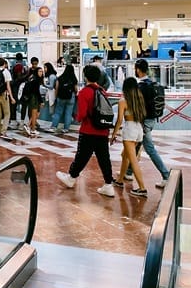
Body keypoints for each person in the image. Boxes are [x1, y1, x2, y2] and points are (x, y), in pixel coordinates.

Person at [56, 64, 116, 197]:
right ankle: (108, 184)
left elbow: (82, 114)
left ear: (85, 76)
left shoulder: (84, 92)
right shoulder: (101, 91)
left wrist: (76, 117)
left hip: (88, 131)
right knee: (104, 159)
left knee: (81, 157)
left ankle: (71, 178)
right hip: (102, 131)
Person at [134, 59, 170, 188]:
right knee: (135, 145)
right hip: (153, 119)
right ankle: (127, 171)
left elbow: (139, 106)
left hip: (144, 122)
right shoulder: (154, 84)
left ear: (138, 69)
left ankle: (166, 175)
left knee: (149, 149)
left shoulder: (142, 87)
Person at [112, 77, 149, 198]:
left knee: (133, 161)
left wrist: (113, 134)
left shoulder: (123, 101)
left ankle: (142, 188)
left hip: (129, 129)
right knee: (125, 156)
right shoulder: (140, 98)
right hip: (139, 129)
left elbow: (119, 120)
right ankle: (120, 180)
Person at [49, 63, 78, 134]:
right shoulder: (74, 79)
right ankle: (66, 129)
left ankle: (54, 127)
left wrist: (56, 97)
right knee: (68, 113)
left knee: (58, 112)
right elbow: (76, 89)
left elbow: (57, 88)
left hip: (61, 97)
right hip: (71, 97)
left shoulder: (60, 78)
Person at [0, 57, 15, 141]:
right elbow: (8, 86)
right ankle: (3, 131)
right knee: (7, 113)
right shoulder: (6, 72)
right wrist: (11, 97)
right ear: (4, 64)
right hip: (3, 95)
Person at [21, 66, 44, 137]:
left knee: (35, 113)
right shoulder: (36, 80)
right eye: (40, 71)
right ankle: (33, 129)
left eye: (42, 71)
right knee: (34, 114)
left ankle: (28, 126)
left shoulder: (31, 78)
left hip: (30, 97)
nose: (41, 73)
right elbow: (36, 91)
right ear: (36, 72)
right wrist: (41, 101)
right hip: (34, 98)